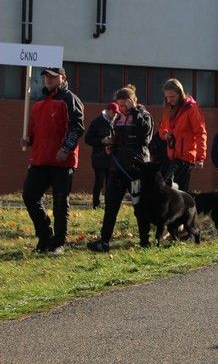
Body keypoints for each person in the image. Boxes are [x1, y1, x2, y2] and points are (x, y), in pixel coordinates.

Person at [21, 67, 84, 254]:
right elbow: (34, 129)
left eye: (52, 76)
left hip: (62, 161)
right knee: (29, 196)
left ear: (63, 77)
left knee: (59, 202)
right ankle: (45, 236)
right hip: (40, 159)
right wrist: (28, 139)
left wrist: (66, 148)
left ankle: (58, 243)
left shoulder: (69, 99)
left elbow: (77, 127)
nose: (48, 79)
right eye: (46, 76)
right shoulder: (39, 102)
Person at [87, 85, 154, 253]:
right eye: (120, 105)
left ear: (134, 101)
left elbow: (145, 136)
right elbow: (117, 138)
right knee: (111, 206)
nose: (122, 109)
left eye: (125, 105)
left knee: (139, 206)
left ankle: (145, 241)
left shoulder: (144, 116)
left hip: (136, 169)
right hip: (117, 168)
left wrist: (134, 112)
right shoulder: (117, 118)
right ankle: (104, 241)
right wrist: (111, 144)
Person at [158, 78, 207, 192]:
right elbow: (162, 129)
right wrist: (165, 135)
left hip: (186, 158)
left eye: (172, 97)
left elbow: (200, 132)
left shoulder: (191, 108)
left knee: (176, 191)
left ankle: (184, 209)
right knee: (171, 190)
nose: (169, 100)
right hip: (172, 156)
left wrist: (200, 158)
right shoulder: (168, 108)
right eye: (167, 97)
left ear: (180, 93)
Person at [84, 102, 118, 209]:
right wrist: (101, 141)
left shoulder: (115, 122)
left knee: (110, 183)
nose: (115, 115)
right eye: (114, 113)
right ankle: (96, 204)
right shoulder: (97, 122)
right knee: (99, 182)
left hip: (111, 158)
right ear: (108, 111)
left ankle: (109, 204)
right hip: (99, 157)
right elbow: (88, 139)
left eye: (116, 114)